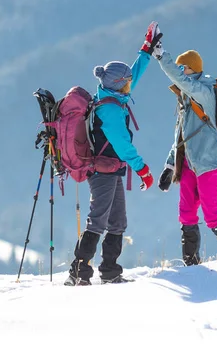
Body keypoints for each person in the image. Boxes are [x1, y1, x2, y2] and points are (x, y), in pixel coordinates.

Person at [64, 24, 161, 286]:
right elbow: (122, 145)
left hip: (111, 169)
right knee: (98, 220)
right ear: (119, 85)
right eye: (127, 83)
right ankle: (78, 272)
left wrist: (146, 50)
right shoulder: (111, 110)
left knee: (117, 221)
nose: (131, 85)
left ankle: (109, 270)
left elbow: (133, 75)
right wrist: (143, 170)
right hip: (102, 172)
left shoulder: (112, 94)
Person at [150, 24, 217, 266]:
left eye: (183, 67)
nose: (180, 71)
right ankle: (191, 266)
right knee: (186, 214)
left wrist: (162, 57)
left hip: (211, 161)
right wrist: (170, 166)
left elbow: (181, 80)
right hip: (191, 162)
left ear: (192, 69)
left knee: (212, 214)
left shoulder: (203, 92)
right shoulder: (185, 98)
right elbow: (181, 136)